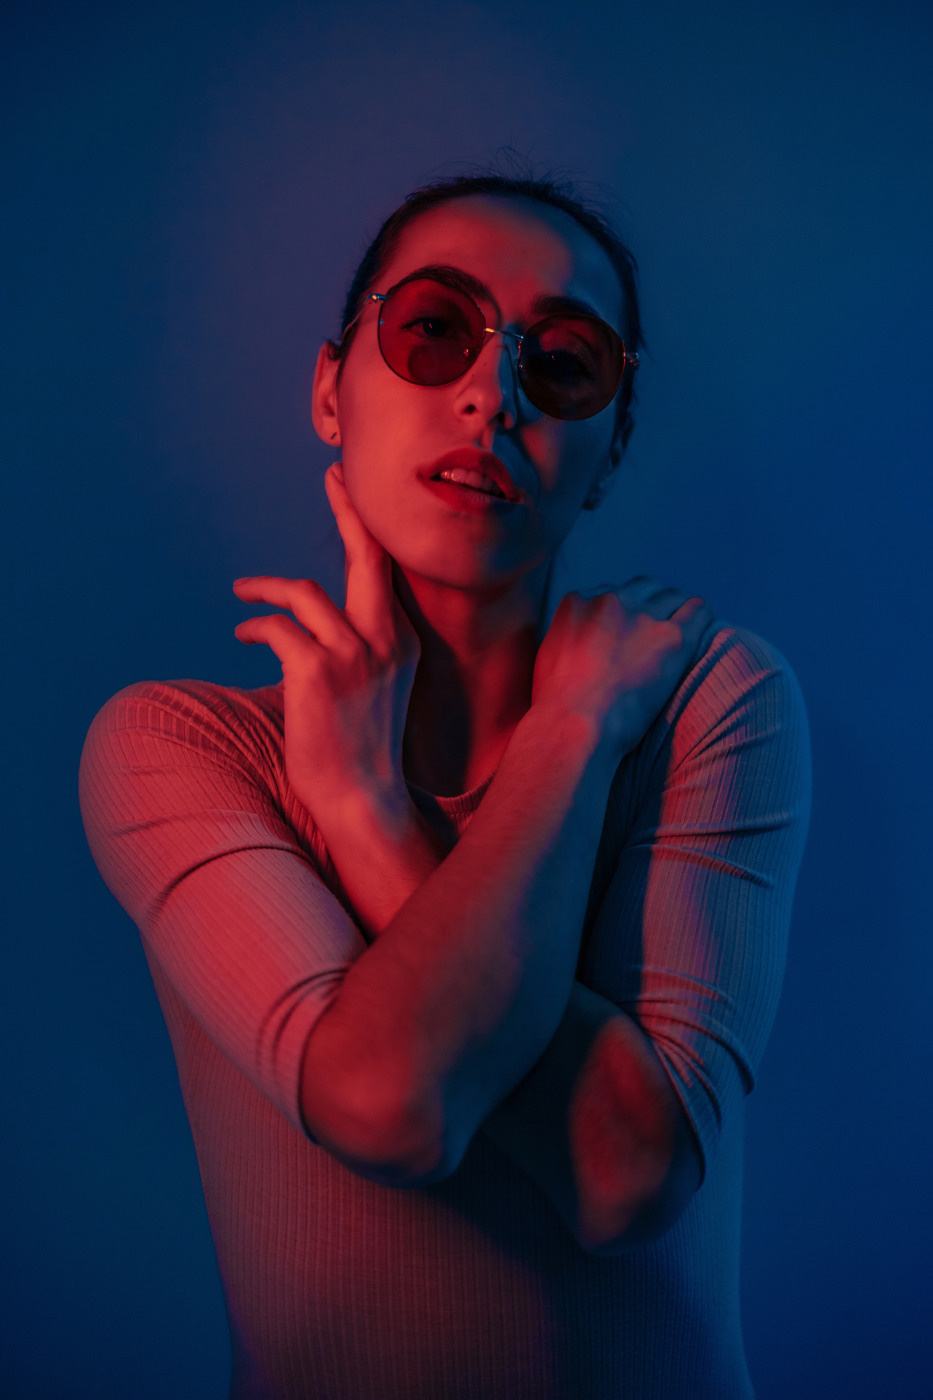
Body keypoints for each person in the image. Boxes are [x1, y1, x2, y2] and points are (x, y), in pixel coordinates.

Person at [79, 167, 812, 1400]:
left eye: (564, 363)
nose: (491, 395)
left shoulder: (703, 702)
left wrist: (543, 741)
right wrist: (385, 788)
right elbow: (394, 1107)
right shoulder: (180, 747)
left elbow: (630, 1174)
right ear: (330, 388)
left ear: (610, 448)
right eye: (433, 329)